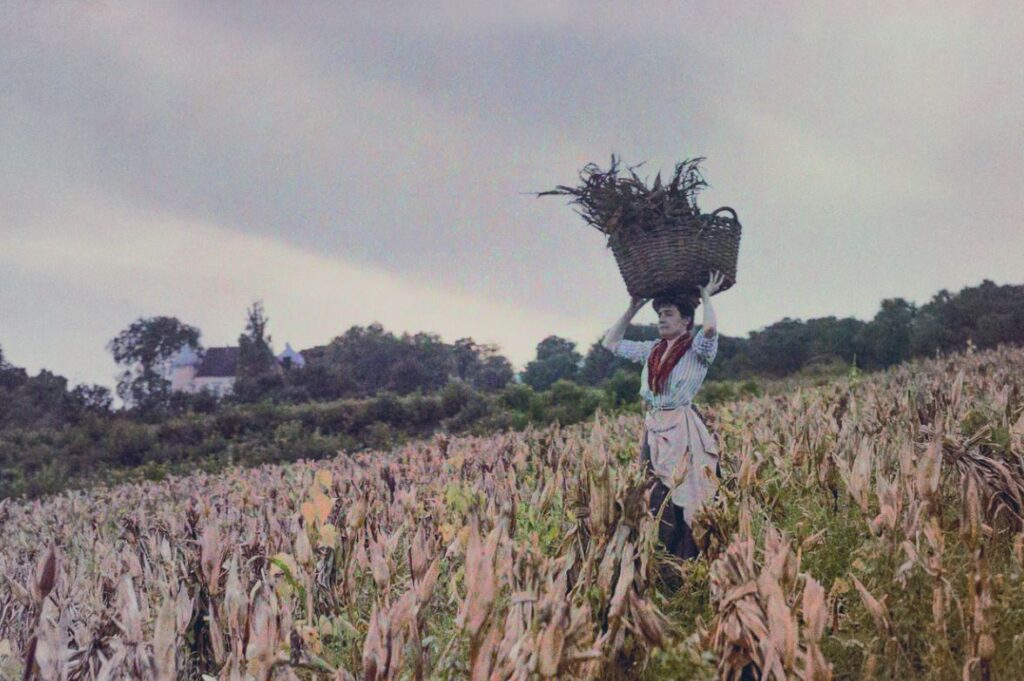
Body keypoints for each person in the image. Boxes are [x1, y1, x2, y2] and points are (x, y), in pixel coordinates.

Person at [601, 271, 725, 561]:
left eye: (668, 314)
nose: (661, 319)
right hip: (654, 427)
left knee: (692, 491)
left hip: (682, 427)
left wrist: (705, 296)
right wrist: (632, 308)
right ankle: (662, 558)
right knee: (655, 492)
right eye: (659, 314)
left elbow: (709, 330)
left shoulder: (696, 351)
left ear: (685, 321)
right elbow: (610, 343)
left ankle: (695, 555)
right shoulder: (652, 351)